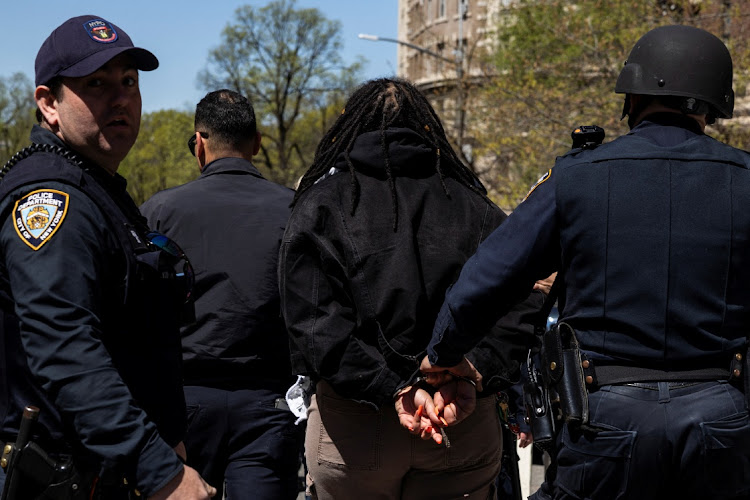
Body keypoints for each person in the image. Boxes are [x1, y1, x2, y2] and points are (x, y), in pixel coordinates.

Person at [422, 25, 750, 500]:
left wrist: (444, 354)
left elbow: (490, 276)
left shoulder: (576, 177)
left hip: (606, 419)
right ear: (715, 105)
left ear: (631, 97)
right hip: (722, 416)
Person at [279, 77, 540, 499]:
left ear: (350, 128)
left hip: (355, 432)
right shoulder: (476, 207)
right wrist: (473, 369)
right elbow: (523, 297)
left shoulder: (320, 205)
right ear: (427, 127)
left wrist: (393, 387)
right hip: (458, 419)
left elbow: (313, 326)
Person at [0, 15, 216, 499]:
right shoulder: (54, 200)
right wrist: (157, 469)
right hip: (61, 479)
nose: (121, 98)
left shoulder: (96, 188)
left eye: (129, 82)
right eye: (96, 84)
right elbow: (64, 348)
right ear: (48, 103)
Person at [140, 89, 302, 499]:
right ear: (258, 143)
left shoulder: (159, 212)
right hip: (271, 401)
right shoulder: (297, 210)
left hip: (184, 399)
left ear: (199, 143)